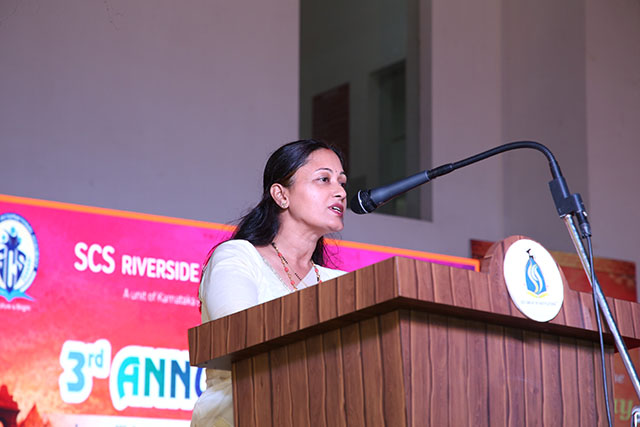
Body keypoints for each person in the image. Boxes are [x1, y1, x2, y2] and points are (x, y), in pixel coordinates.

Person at [191, 139, 348, 426]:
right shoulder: (238, 257)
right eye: (324, 179)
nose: (340, 192)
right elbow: (239, 337)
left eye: (342, 182)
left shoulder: (341, 284)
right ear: (281, 195)